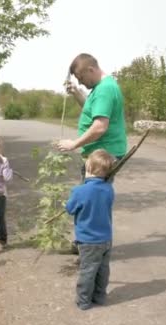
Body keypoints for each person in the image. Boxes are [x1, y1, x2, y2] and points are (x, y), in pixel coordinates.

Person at [56, 53, 128, 182]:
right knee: (95, 195)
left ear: (91, 69)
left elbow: (99, 127)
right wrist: (76, 93)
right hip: (102, 154)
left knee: (93, 197)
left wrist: (73, 144)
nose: (80, 82)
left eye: (81, 77)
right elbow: (93, 112)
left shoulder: (104, 90)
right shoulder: (103, 86)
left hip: (102, 155)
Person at [65, 149, 115, 310]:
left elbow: (70, 209)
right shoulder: (109, 189)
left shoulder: (79, 191)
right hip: (106, 239)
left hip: (88, 240)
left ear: (88, 168)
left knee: (88, 270)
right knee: (103, 269)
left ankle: (84, 300)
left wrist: (70, 200)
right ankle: (100, 296)